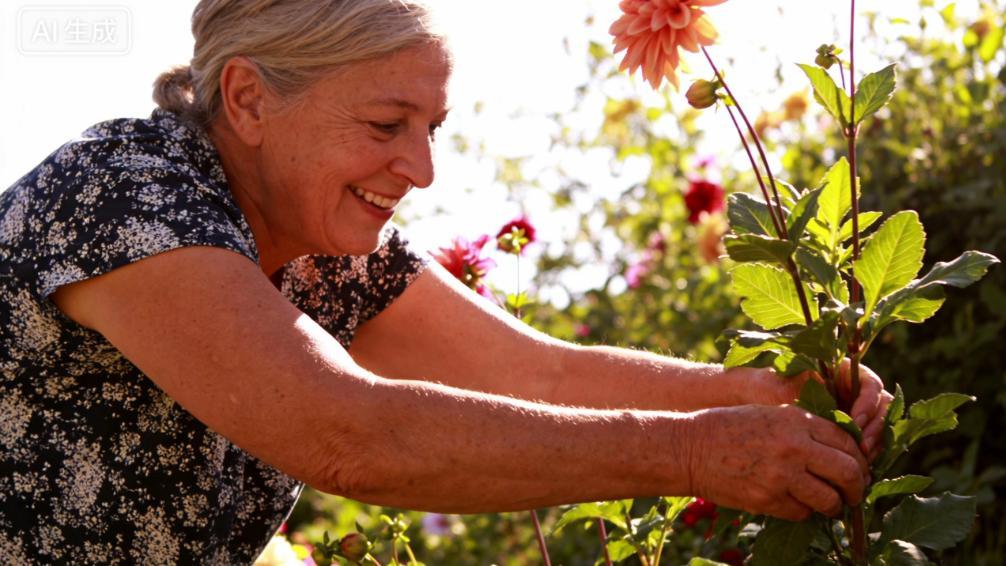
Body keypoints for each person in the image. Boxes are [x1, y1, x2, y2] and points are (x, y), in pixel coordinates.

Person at [0, 0, 892, 563]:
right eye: (389, 123)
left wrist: (757, 396)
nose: (421, 169)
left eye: (434, 127)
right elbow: (346, 436)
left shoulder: (325, 245)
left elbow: (535, 375)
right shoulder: (124, 191)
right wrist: (699, 453)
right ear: (248, 100)